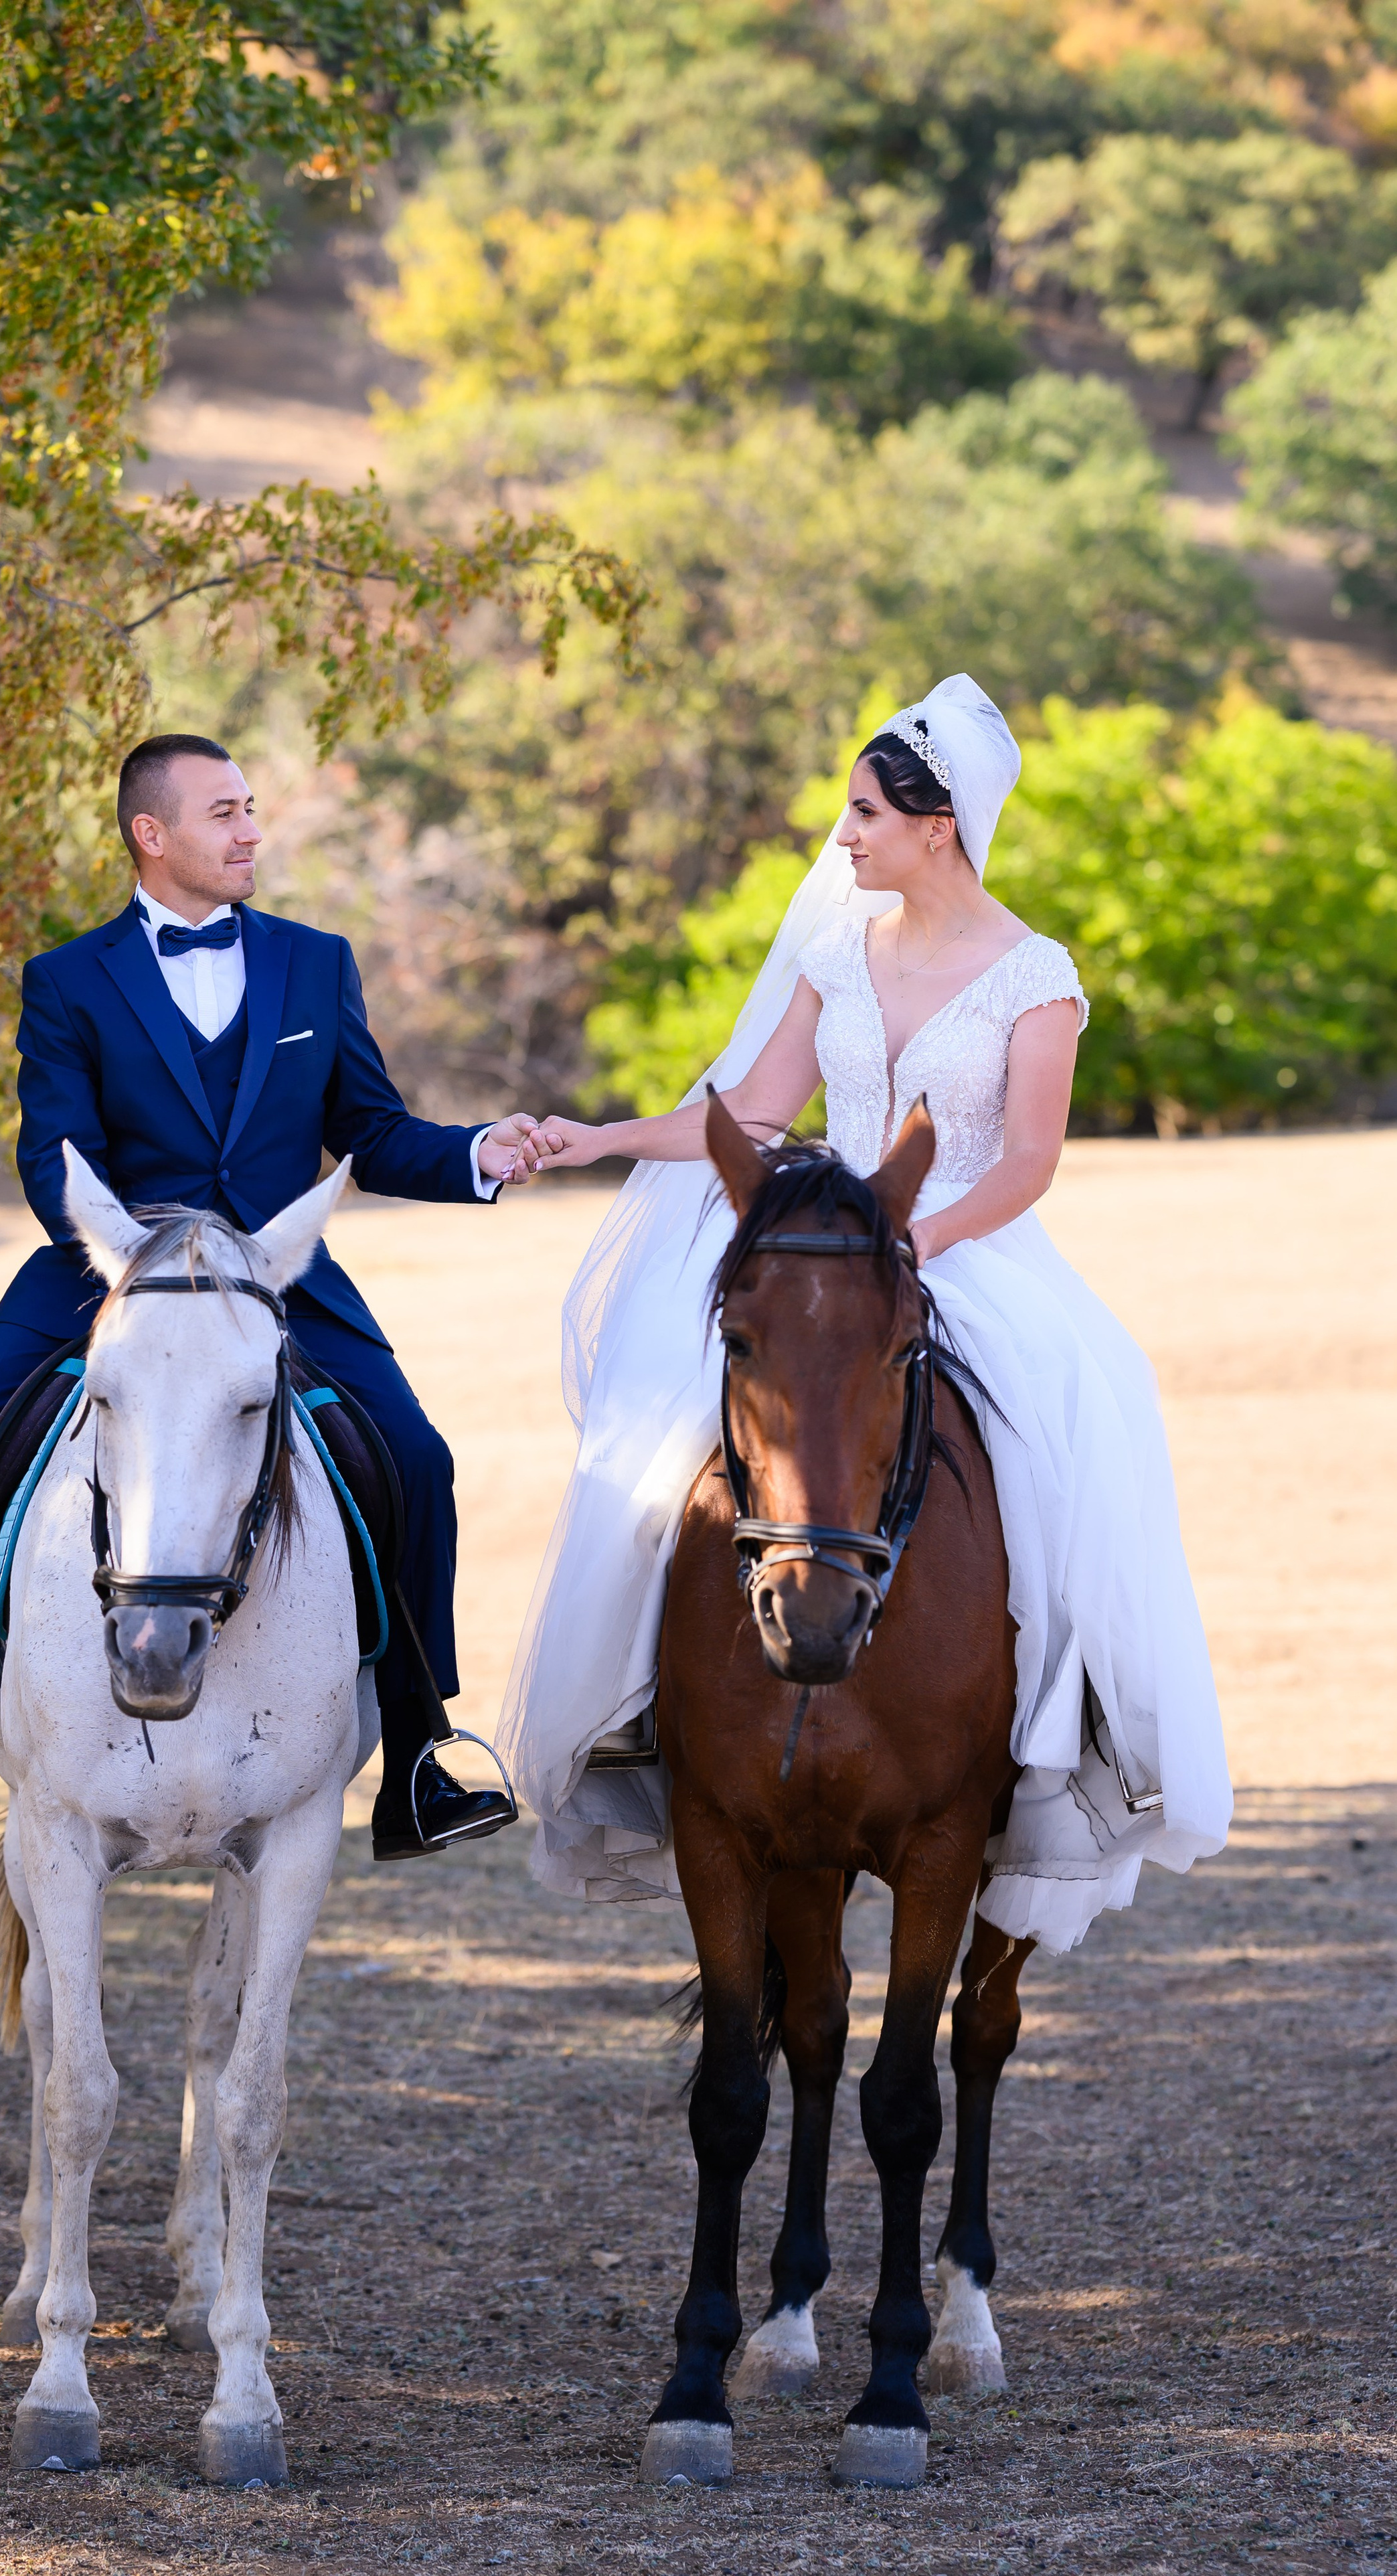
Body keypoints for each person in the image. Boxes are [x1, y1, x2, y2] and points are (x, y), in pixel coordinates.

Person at [499, 673, 1232, 1952]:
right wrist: (591, 1137)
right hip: (824, 1249)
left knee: (1076, 1428)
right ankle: (635, 1716)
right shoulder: (840, 954)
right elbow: (756, 1114)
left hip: (962, 1246)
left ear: (935, 824)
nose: (841, 839)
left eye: (862, 815)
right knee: (665, 1440)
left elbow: (1028, 1164)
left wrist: (917, 1240)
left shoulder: (1036, 976)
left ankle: (1072, 1736)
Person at [0, 732, 550, 1862]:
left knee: (417, 1460)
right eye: (225, 812)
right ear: (150, 834)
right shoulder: (67, 980)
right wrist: (140, 1252)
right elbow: (49, 1156)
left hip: (280, 1278)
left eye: (251, 807)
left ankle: (419, 1751)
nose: (252, 829)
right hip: (111, 1275)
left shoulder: (317, 963)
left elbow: (369, 1131)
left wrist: (477, 1154)